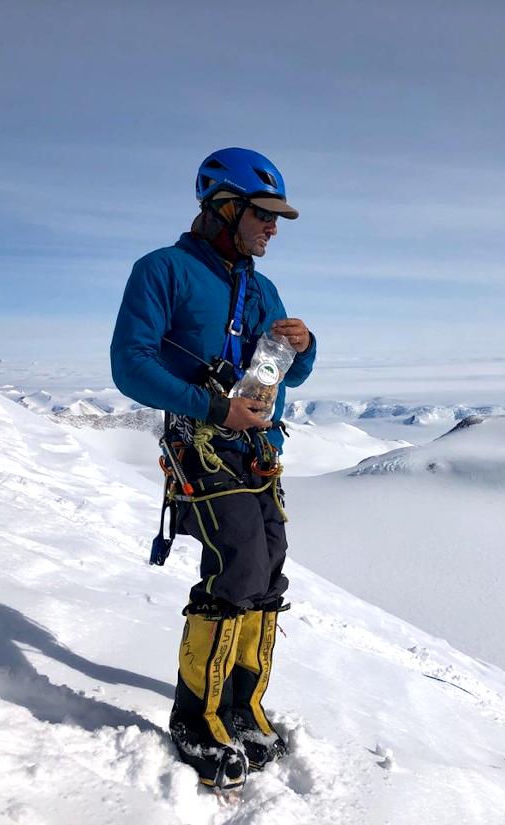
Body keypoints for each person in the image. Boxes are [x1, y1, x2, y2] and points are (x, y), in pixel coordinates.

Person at [110, 148, 316, 790]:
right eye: (264, 215)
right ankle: (197, 717)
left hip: (253, 446)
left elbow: (287, 372)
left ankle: (242, 706)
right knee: (239, 562)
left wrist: (304, 349)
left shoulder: (260, 287)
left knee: (270, 560)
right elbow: (129, 363)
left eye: (277, 218)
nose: (273, 228)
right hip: (198, 442)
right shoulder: (163, 271)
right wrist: (212, 407)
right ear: (224, 208)